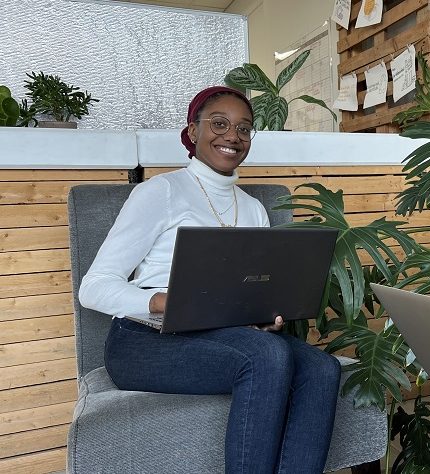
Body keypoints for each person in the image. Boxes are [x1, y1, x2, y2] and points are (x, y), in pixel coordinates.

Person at [79, 86, 341, 474]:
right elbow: (94, 286)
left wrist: (266, 314)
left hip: (223, 336)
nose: (232, 135)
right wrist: (165, 300)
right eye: (219, 124)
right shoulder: (160, 192)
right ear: (192, 132)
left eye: (244, 128)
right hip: (145, 341)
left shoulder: (253, 210)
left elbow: (254, 290)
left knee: (322, 368)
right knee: (266, 355)